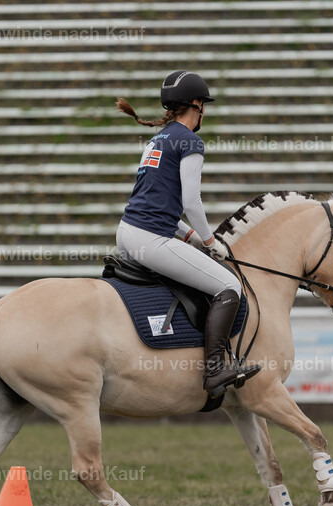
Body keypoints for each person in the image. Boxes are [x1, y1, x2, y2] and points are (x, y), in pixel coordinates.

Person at [114, 70, 260, 399]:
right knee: (229, 285)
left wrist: (191, 235)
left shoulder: (158, 139)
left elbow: (157, 201)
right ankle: (214, 369)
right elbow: (191, 201)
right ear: (197, 104)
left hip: (128, 232)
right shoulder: (190, 141)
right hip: (150, 239)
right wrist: (210, 242)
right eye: (203, 104)